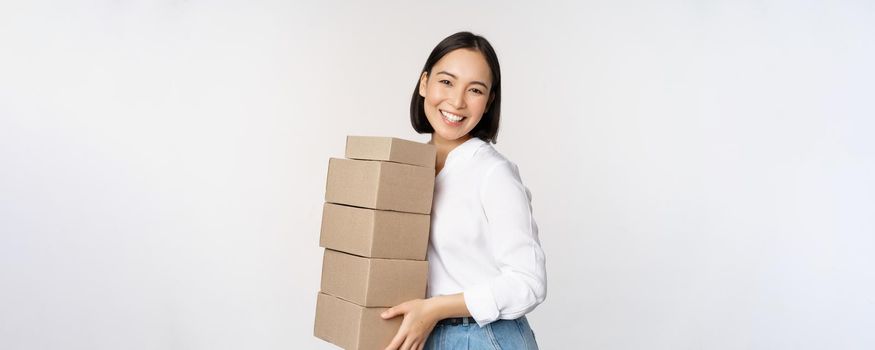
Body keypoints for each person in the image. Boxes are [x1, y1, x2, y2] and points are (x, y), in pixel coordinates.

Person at [380, 31, 547, 350]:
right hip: (422, 334)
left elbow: (530, 283)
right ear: (424, 83)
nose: (457, 101)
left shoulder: (492, 173)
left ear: (488, 102)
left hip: (483, 337)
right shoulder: (407, 171)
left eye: (475, 90)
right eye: (446, 82)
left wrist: (435, 309)